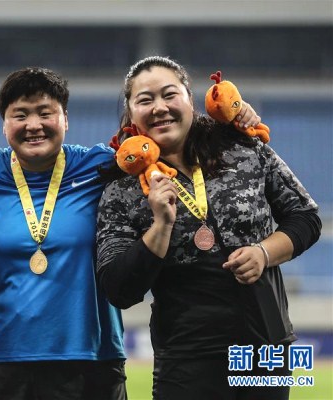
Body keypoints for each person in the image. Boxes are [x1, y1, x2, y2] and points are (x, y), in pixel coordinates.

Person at [0, 66, 261, 400]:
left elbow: (171, 139)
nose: (34, 125)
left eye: (46, 113)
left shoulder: (102, 165)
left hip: (92, 363)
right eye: (20, 115)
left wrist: (234, 120)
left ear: (65, 119)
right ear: (4, 125)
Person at [96, 56, 322, 400]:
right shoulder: (121, 188)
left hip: (265, 349)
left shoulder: (243, 147)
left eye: (169, 94)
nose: (160, 107)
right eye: (145, 100)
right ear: (130, 112)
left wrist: (264, 253)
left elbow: (305, 216)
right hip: (187, 359)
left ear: (190, 98)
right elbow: (119, 290)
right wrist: (160, 226)